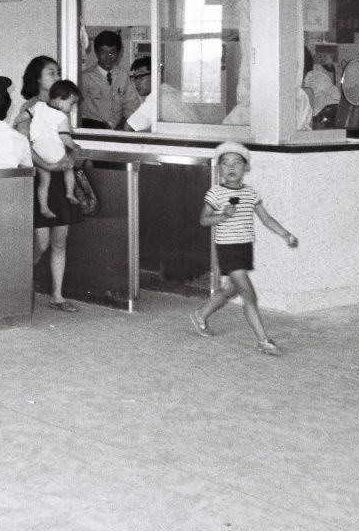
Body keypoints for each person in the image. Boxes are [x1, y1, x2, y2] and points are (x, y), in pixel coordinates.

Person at [190, 142, 299, 355]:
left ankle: (201, 315)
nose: (231, 167)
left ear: (246, 168)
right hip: (227, 249)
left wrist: (285, 233)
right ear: (219, 168)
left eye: (237, 163)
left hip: (244, 247)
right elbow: (203, 220)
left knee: (230, 290)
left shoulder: (250, 193)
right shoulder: (216, 193)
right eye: (225, 163)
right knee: (249, 295)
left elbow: (266, 218)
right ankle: (263, 341)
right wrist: (223, 215)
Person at [14, 56, 83, 312]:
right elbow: (25, 145)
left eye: (58, 72)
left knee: (60, 241)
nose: (56, 77)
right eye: (50, 73)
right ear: (38, 79)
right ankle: (17, 284)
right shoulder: (30, 106)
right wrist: (49, 166)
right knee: (40, 243)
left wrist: (70, 157)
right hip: (39, 177)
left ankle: (57, 295)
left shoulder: (61, 106)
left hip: (59, 176)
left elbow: (65, 140)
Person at [29, 80, 82, 220]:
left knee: (44, 181)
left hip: (38, 151)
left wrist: (16, 120)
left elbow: (25, 115)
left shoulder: (38, 106)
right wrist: (75, 147)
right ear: (62, 99)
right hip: (55, 154)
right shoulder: (61, 117)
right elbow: (64, 137)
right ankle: (70, 192)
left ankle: (44, 207)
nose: (71, 108)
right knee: (68, 168)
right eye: (71, 103)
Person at [78, 30, 138, 129]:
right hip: (93, 131)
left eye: (112, 52)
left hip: (118, 131)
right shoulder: (85, 77)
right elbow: (77, 108)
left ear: (119, 53)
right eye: (103, 52)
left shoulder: (123, 76)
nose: (108, 57)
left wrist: (123, 122)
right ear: (96, 53)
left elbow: (131, 103)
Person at [124, 57, 196, 131]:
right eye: (134, 78)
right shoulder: (168, 90)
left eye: (140, 77)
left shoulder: (157, 97)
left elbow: (129, 127)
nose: (136, 82)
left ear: (155, 75)